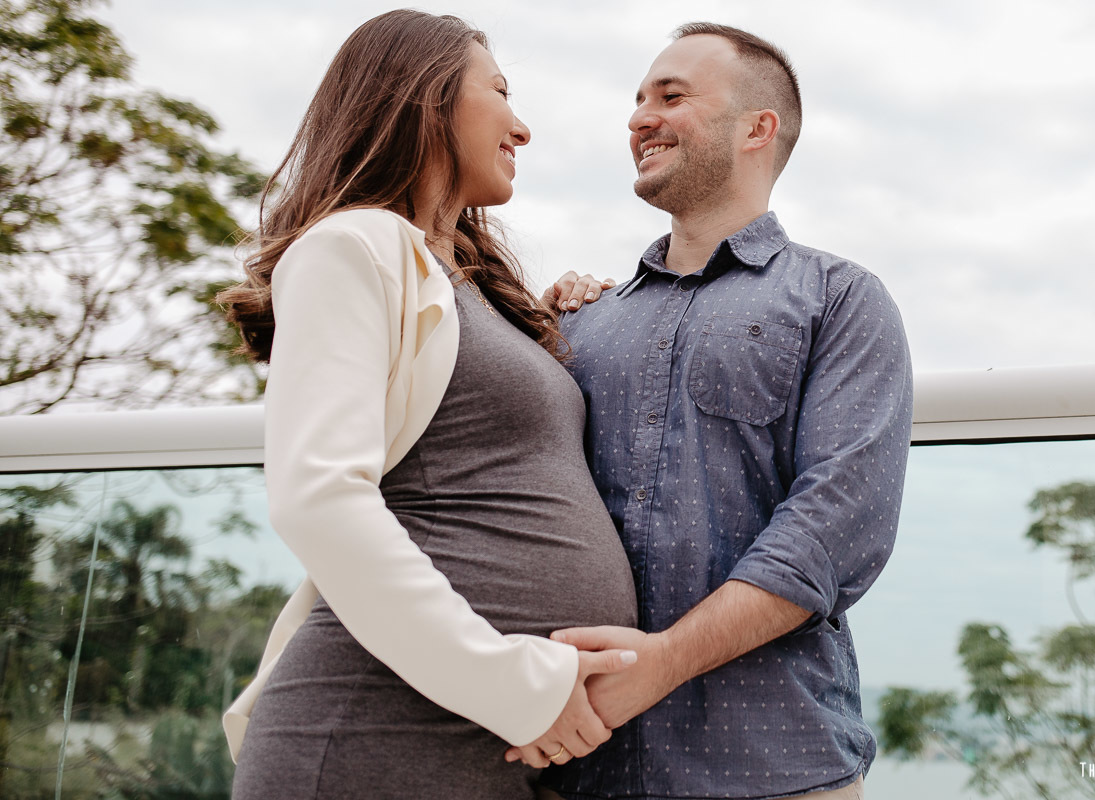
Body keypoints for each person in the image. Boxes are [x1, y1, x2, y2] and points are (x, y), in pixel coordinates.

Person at [215, 11, 640, 798]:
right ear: (426, 98)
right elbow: (319, 499)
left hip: (493, 742)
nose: (523, 128)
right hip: (376, 732)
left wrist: (569, 318)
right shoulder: (350, 247)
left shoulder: (470, 288)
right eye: (501, 93)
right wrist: (518, 688)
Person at [532, 23, 913, 800]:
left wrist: (662, 662)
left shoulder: (840, 301)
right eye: (637, 100)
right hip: (574, 768)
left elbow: (836, 530)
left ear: (757, 128)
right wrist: (530, 327)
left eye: (671, 96)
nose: (639, 117)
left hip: (777, 771)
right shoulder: (578, 321)